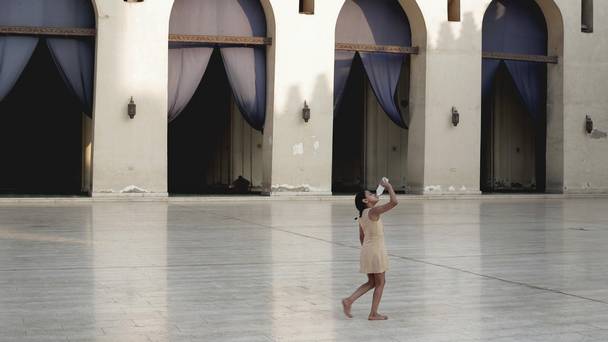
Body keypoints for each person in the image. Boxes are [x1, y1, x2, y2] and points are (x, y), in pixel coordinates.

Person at [342, 178, 398, 320]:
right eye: (370, 194)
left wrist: (367, 251)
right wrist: (389, 186)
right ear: (365, 201)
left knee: (372, 282)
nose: (374, 195)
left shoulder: (362, 215)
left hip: (367, 250)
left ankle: (349, 300)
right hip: (376, 251)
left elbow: (361, 237)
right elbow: (394, 202)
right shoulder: (373, 211)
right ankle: (373, 313)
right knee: (380, 282)